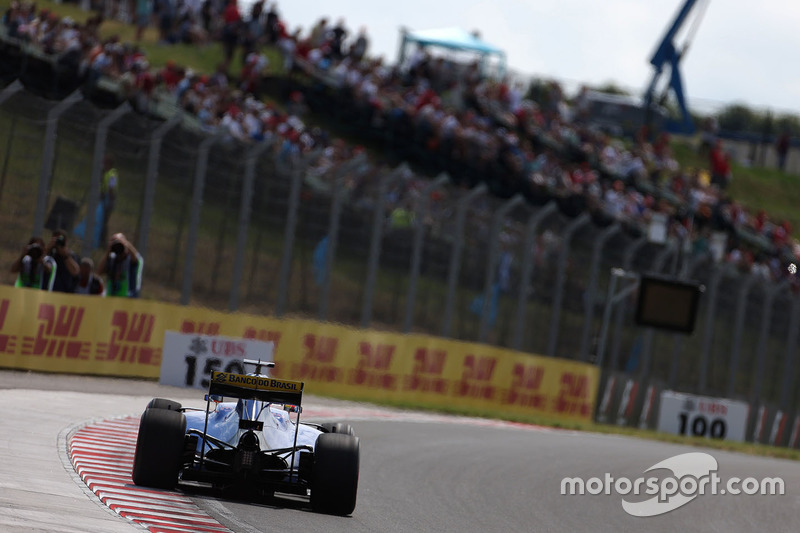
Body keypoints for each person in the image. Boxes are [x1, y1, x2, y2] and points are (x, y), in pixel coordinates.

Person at [97, 233, 143, 297]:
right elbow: (99, 272)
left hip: (128, 298)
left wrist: (124, 243)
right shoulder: (111, 259)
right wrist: (108, 251)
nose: (117, 247)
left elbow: (135, 258)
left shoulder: (131, 259)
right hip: (111, 297)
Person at [100, 156, 118, 246]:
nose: (104, 165)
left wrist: (108, 199)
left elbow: (111, 187)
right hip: (104, 198)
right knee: (101, 219)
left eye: (105, 163)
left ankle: (102, 241)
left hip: (108, 199)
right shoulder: (106, 173)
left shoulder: (112, 174)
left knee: (104, 220)